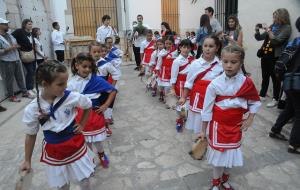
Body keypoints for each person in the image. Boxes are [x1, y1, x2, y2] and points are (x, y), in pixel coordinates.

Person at [21, 61, 95, 190]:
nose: (66, 87)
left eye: (66, 82)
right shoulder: (32, 109)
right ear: (45, 84)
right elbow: (31, 135)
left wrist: (82, 124)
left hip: (75, 145)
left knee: (84, 180)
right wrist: (27, 160)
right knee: (61, 185)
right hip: (54, 151)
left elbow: (88, 105)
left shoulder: (71, 97)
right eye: (61, 84)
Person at [199, 45, 261, 190]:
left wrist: (250, 118)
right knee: (218, 158)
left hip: (235, 126)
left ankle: (225, 181)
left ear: (241, 62)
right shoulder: (215, 84)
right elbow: (206, 109)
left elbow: (254, 101)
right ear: (221, 60)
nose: (229, 65)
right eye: (225, 61)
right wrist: (203, 130)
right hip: (217, 127)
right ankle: (215, 183)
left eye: (233, 62)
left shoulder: (246, 82)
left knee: (231, 155)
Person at [68, 53, 117, 168]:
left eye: (90, 67)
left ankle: (101, 154)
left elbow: (113, 90)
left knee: (97, 141)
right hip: (80, 117)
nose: (87, 69)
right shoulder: (71, 83)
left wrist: (105, 105)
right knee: (86, 141)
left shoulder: (96, 80)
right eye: (84, 66)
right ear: (76, 66)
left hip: (95, 116)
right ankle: (90, 160)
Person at [179, 35, 223, 135]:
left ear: (217, 48)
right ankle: (200, 140)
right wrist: (183, 97)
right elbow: (189, 82)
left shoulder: (221, 65)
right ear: (202, 47)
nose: (207, 49)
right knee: (199, 122)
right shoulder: (195, 64)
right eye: (205, 46)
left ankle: (209, 139)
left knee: (211, 122)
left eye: (211, 46)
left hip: (213, 99)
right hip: (198, 98)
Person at [269, 17, 300, 154]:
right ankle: (295, 144)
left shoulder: (295, 41)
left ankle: (275, 130)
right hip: (298, 83)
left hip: (288, 81)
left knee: (290, 109)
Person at [255, 8, 291, 107]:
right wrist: (257, 29)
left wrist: (268, 30)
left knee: (275, 79)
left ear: (282, 17)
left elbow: (276, 41)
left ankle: (275, 99)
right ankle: (262, 95)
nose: (274, 19)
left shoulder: (286, 28)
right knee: (265, 76)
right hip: (265, 54)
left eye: (276, 16)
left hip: (275, 56)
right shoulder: (272, 26)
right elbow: (259, 38)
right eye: (273, 16)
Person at [0, 18, 33, 102]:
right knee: (9, 79)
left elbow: (15, 43)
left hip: (16, 58)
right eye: (6, 24)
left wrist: (17, 46)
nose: (8, 26)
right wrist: (11, 48)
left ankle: (24, 92)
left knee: (20, 77)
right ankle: (11, 96)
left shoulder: (9, 35)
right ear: (0, 25)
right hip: (6, 61)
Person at [170, 39, 194, 132]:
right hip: (181, 86)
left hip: (191, 84)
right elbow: (173, 76)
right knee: (182, 106)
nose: (186, 49)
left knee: (189, 104)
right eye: (184, 47)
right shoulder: (176, 61)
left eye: (188, 47)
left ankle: (185, 117)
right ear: (180, 48)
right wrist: (172, 88)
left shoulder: (193, 59)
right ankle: (180, 119)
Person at [12, 19, 36, 97]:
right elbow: (11, 36)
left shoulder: (30, 33)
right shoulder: (19, 31)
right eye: (29, 24)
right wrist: (17, 45)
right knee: (29, 71)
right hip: (25, 54)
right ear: (24, 24)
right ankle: (28, 89)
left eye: (31, 24)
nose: (31, 25)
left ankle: (31, 87)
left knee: (33, 71)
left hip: (32, 54)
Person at [155, 35, 178, 105]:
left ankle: (168, 101)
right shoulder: (162, 52)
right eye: (166, 43)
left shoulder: (176, 52)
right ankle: (162, 95)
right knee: (161, 86)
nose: (168, 45)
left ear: (173, 43)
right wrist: (157, 70)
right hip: (164, 71)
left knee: (168, 87)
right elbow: (159, 62)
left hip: (172, 71)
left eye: (170, 44)